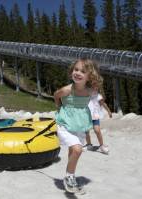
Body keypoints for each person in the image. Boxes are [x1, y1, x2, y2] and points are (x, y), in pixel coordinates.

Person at [54, 58, 102, 193]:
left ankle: (70, 177)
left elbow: (96, 98)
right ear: (71, 72)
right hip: (64, 124)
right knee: (77, 149)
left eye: (83, 71)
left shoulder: (90, 91)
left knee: (72, 151)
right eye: (76, 70)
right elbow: (56, 96)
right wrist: (59, 108)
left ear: (89, 76)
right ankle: (69, 176)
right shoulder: (67, 90)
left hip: (79, 125)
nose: (78, 73)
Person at [83, 84, 112, 154]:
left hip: (95, 116)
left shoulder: (98, 96)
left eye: (96, 88)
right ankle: (89, 144)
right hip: (86, 116)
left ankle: (101, 145)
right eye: (92, 87)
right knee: (86, 131)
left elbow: (103, 104)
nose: (94, 89)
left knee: (97, 130)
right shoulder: (86, 95)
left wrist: (109, 111)